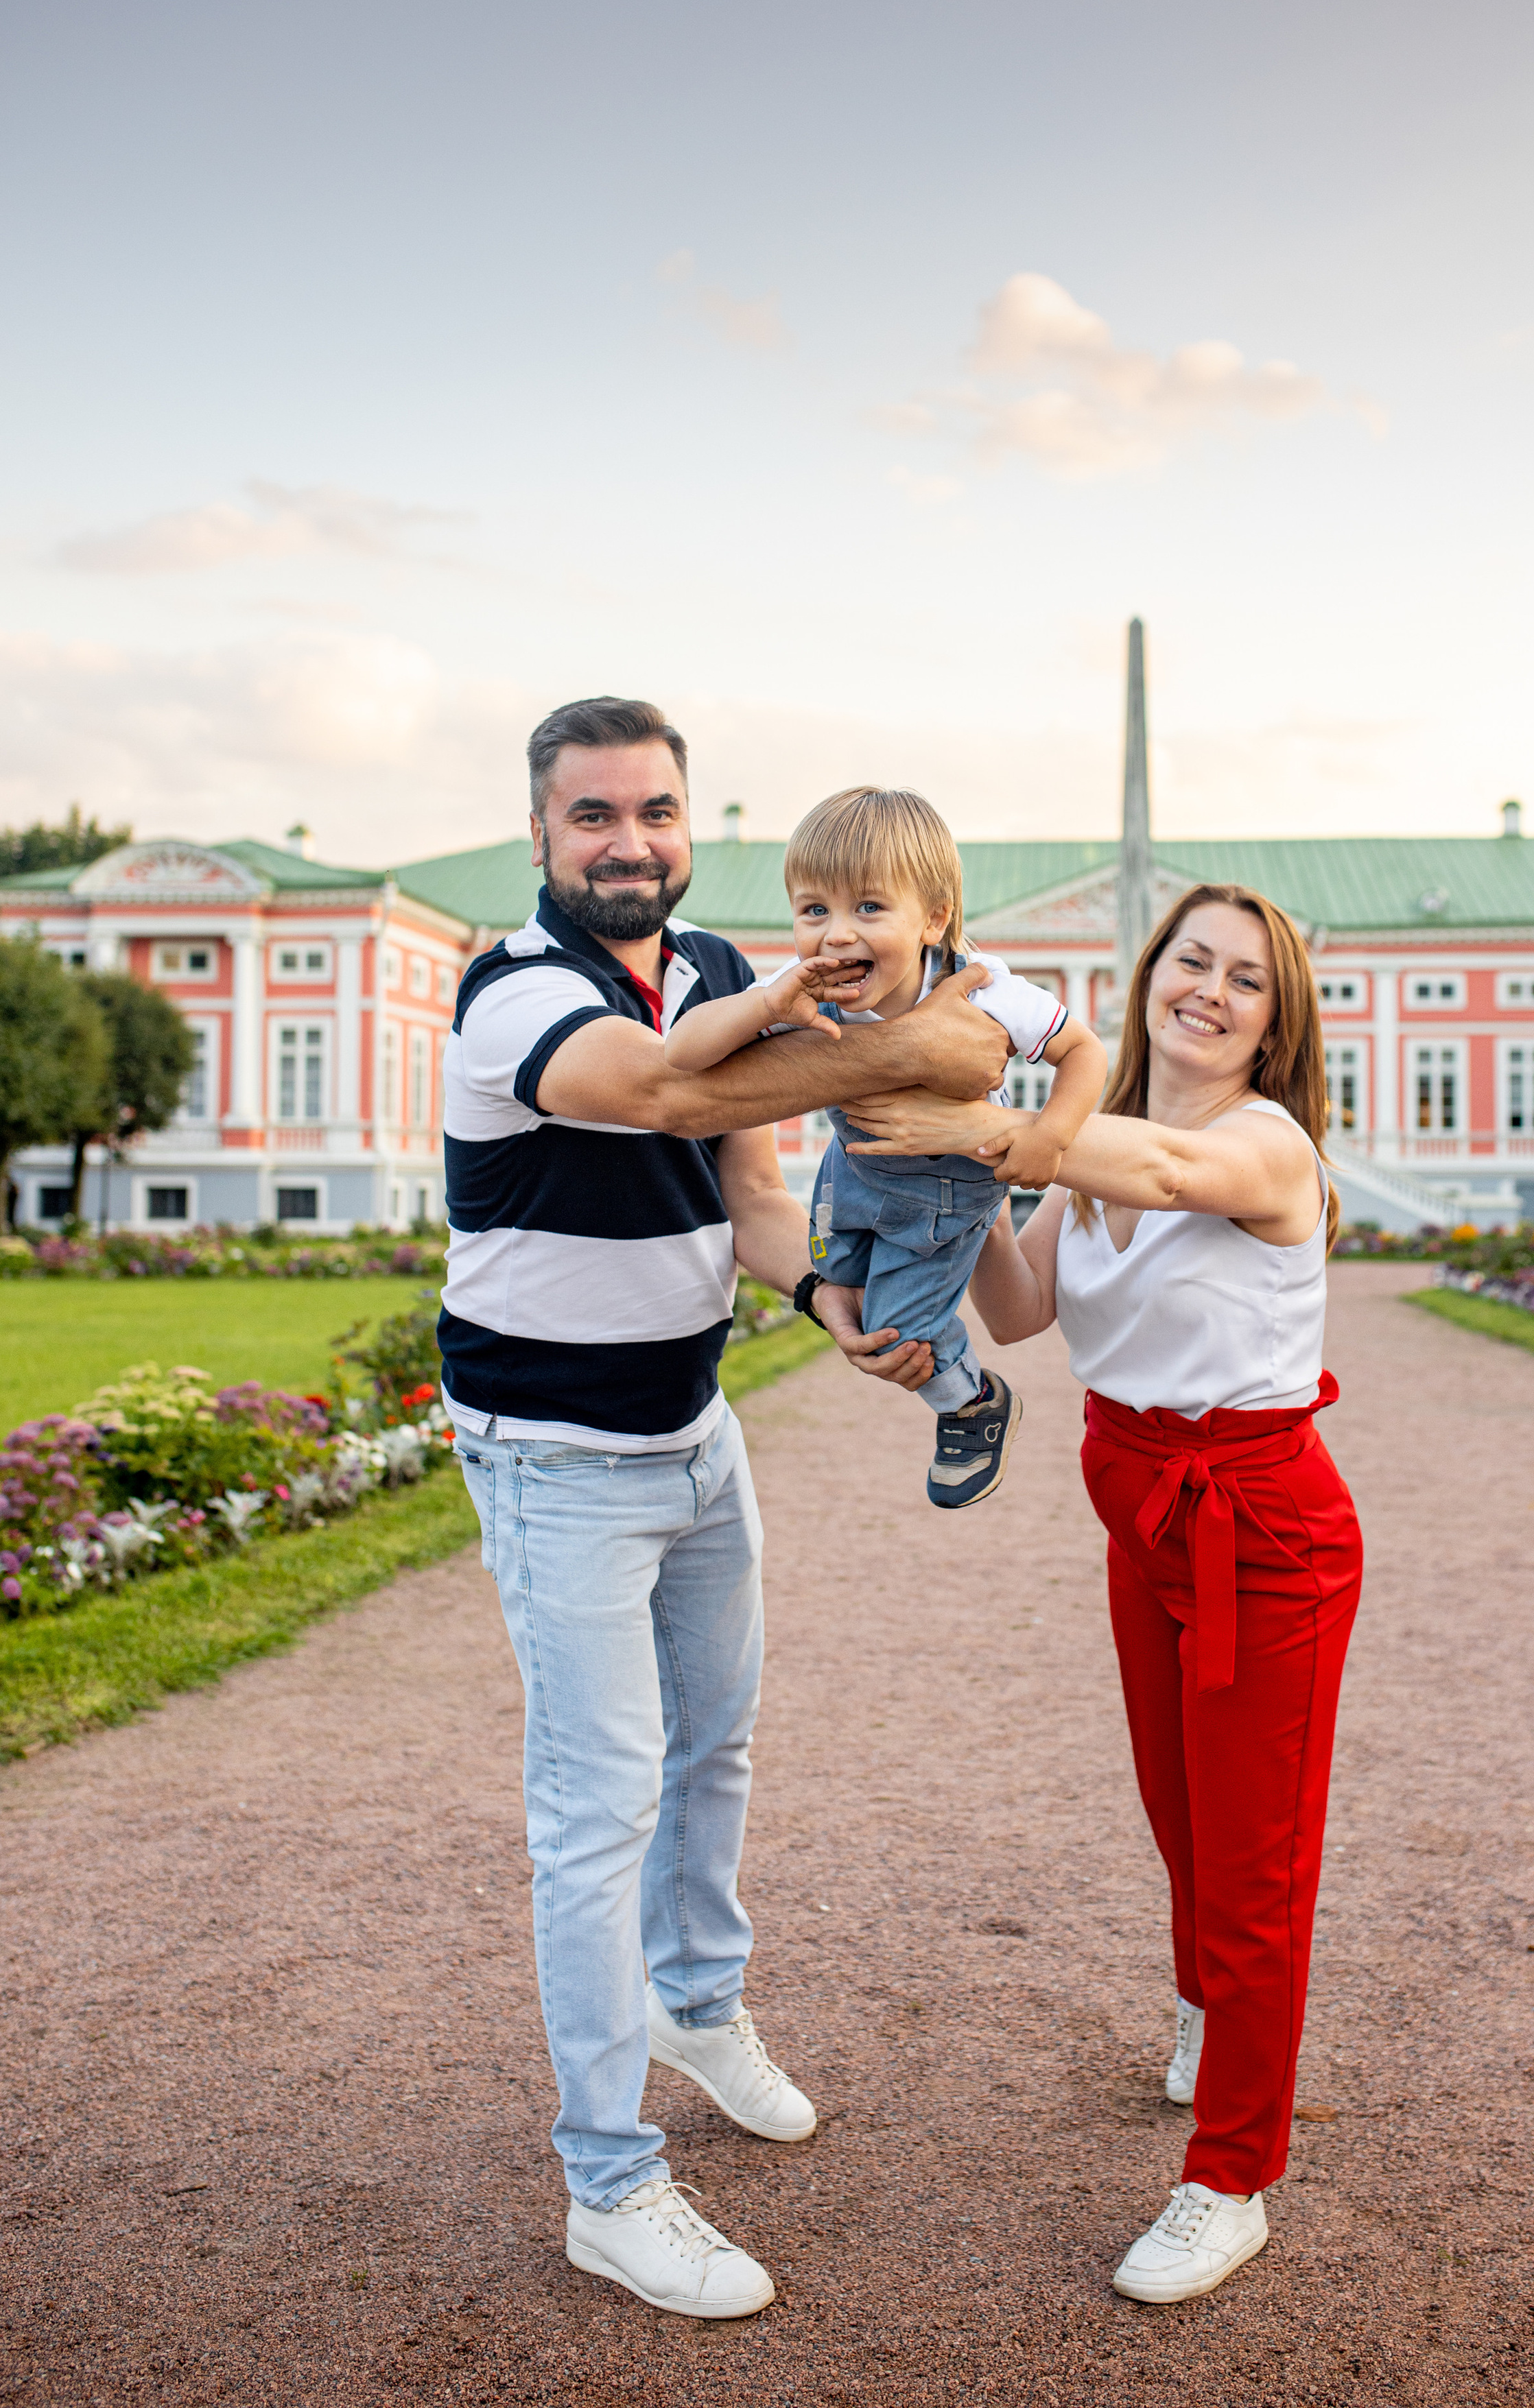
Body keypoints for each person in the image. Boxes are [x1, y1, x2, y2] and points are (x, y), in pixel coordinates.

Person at [442, 697, 1006, 2321]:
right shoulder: (510, 994)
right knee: (595, 1808)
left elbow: (749, 1188)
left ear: (690, 824)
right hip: (553, 1453)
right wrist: (959, 1031)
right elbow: (672, 1104)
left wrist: (834, 1309)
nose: (630, 840)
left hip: (689, 1430)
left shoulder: (703, 972)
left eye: (657, 811)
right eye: (594, 813)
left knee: (719, 1746)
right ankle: (608, 2182)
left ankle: (697, 2003)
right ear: (539, 833)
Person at [838, 882, 1363, 2306]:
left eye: (1243, 980)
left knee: (1256, 1864)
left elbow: (1173, 1180)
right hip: (1139, 1507)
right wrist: (944, 1221)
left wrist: (977, 1118)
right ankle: (1213, 2016)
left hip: (1257, 1525)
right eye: (1187, 960)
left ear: (1273, 1020)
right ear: (1144, 977)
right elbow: (1016, 1310)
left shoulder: (1259, 1145)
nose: (1206, 990)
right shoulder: (1087, 1153)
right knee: (1180, 1812)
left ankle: (1229, 2175)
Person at [664, 785, 1107, 1508]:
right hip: (857, 1163)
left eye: (868, 908)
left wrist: (1049, 1137)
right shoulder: (798, 987)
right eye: (814, 910)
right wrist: (765, 1004)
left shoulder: (981, 986)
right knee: (834, 1273)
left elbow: (1085, 1052)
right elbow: (682, 1054)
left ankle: (971, 1401)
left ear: (933, 917)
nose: (836, 934)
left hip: (949, 1181)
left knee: (896, 1329)